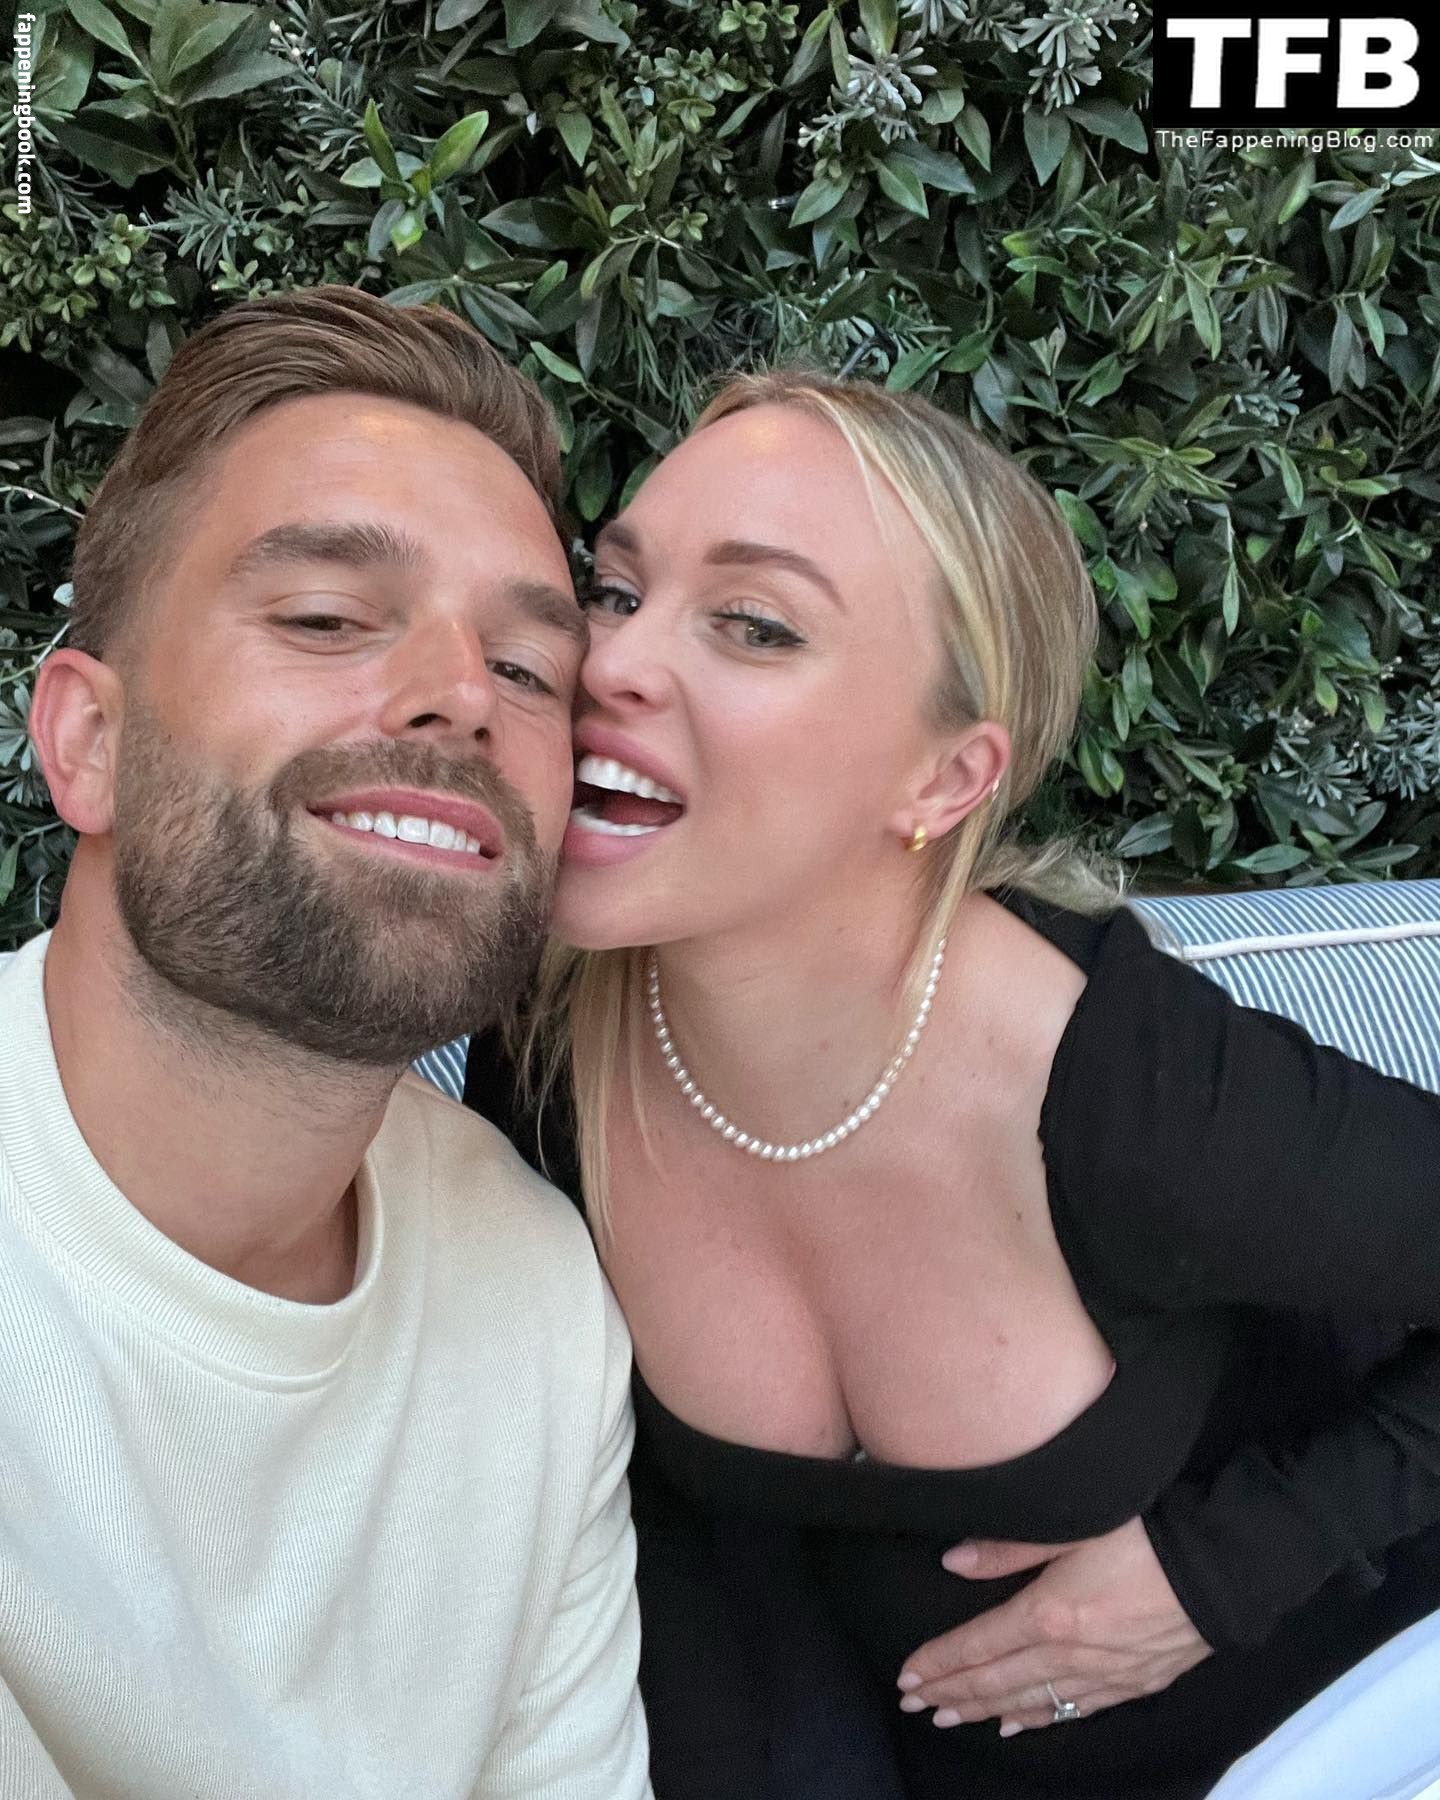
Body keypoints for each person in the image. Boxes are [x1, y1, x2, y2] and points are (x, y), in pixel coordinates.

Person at [463, 369, 1440, 1800]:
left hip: (1350, 1719)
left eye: (756, 624)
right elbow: (667, 1560)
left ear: (943, 780)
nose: (610, 664)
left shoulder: (1128, 1090)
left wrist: (1217, 1569)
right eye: (614, 590)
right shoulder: (547, 1055)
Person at [2, 286, 650, 1799]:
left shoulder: (537, 1296)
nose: (461, 699)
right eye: (325, 619)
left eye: (528, 672)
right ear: (87, 740)